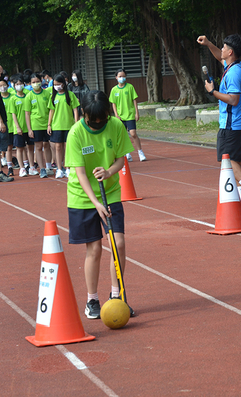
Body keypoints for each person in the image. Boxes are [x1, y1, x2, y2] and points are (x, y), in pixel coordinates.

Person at [64, 90, 135, 319]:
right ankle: (92, 300)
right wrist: (95, 203)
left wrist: (108, 171)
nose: (98, 125)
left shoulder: (115, 125)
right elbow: (81, 174)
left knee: (118, 243)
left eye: (102, 120)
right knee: (94, 249)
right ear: (83, 114)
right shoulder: (75, 133)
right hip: (83, 197)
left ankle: (117, 295)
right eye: (92, 122)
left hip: (110, 192)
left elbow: (120, 158)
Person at [197, 33, 241, 212]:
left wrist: (212, 92)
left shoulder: (233, 73)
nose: (222, 50)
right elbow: (219, 56)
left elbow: (233, 99)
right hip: (239, 123)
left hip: (231, 124)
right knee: (238, 159)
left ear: (231, 51)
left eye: (224, 47)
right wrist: (209, 44)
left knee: (228, 159)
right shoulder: (236, 65)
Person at [109, 69, 146, 162]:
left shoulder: (130, 87)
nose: (122, 78)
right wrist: (116, 115)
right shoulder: (114, 90)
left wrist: (137, 113)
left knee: (133, 133)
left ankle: (140, 152)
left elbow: (134, 100)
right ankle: (127, 153)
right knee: (123, 135)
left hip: (129, 115)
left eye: (123, 76)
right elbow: (113, 103)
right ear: (116, 77)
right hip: (120, 116)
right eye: (120, 76)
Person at [47, 74, 79, 179]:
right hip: (56, 126)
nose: (57, 86)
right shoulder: (53, 96)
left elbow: (75, 109)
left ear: (63, 84)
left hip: (69, 125)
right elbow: (51, 111)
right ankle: (59, 169)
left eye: (58, 84)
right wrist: (49, 125)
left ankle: (67, 168)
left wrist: (76, 122)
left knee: (67, 147)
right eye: (55, 84)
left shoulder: (70, 95)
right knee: (58, 147)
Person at [25, 73, 53, 178]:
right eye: (33, 82)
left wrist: (50, 123)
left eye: (37, 81)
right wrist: (29, 129)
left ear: (41, 81)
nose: (36, 84)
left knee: (48, 145)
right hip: (35, 125)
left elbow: (51, 109)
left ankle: (49, 166)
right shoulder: (29, 96)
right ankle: (42, 169)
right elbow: (27, 114)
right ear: (30, 83)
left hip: (47, 124)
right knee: (38, 146)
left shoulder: (46, 94)